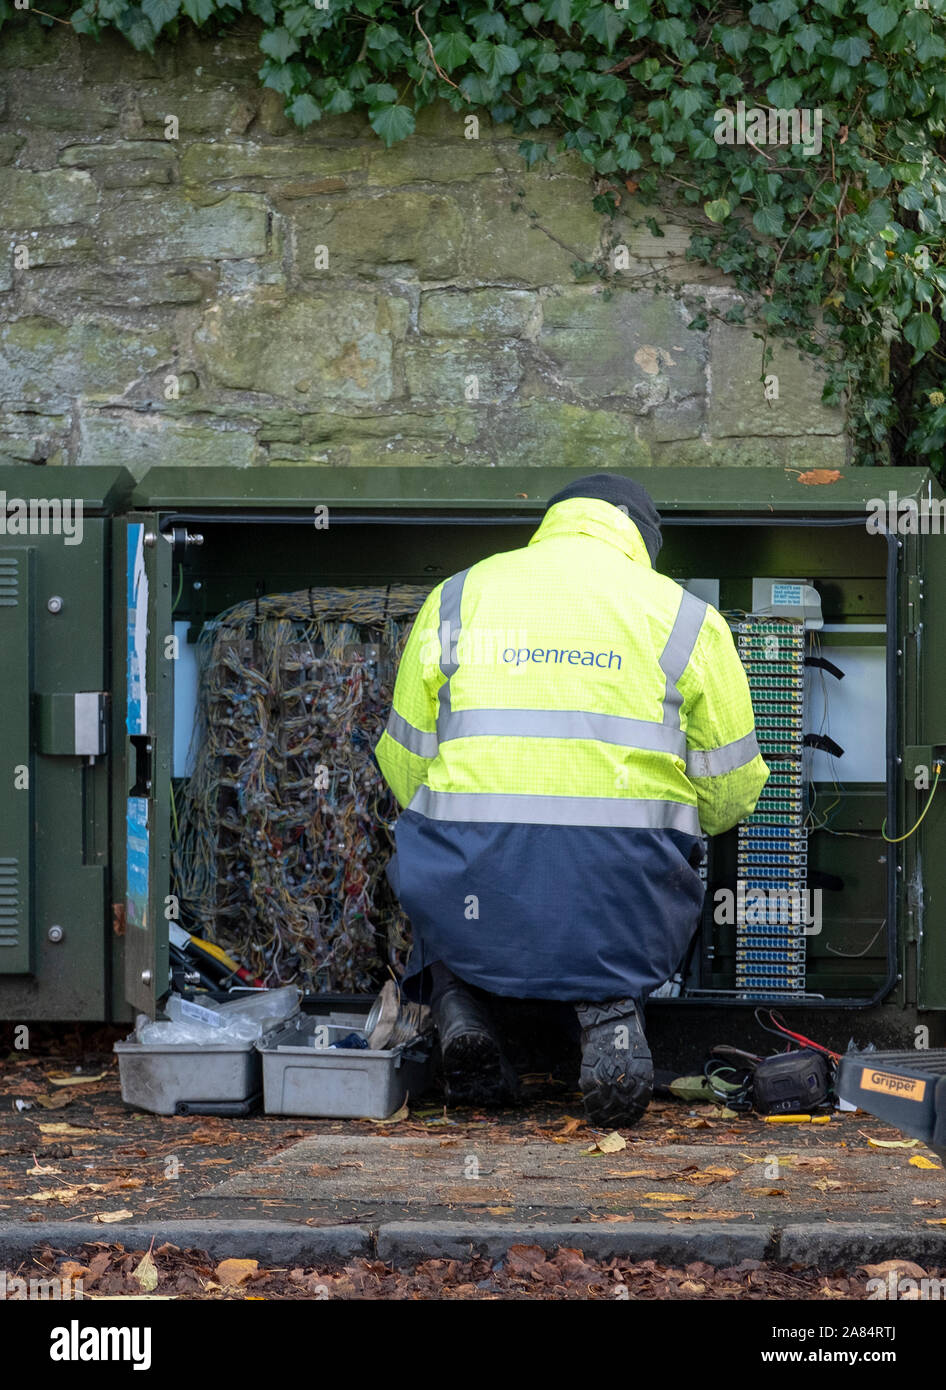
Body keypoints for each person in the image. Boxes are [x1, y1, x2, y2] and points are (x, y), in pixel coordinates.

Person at [374, 473, 769, 1123]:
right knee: (637, 880)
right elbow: (733, 788)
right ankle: (612, 1007)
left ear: (554, 522)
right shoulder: (685, 617)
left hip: (473, 880)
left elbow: (403, 766)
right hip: (621, 889)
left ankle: (460, 1004)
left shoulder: (458, 596)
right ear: (640, 540)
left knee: (431, 854)